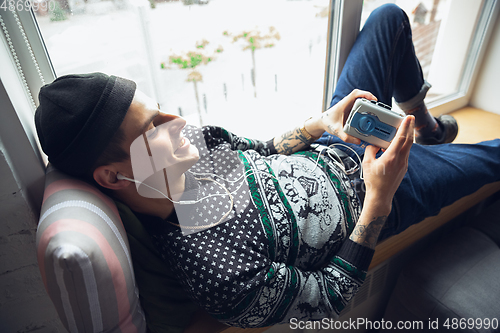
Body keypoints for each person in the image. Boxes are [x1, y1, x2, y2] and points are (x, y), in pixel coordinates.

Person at [34, 4, 500, 329]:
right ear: (114, 177)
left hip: (339, 143)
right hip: (383, 195)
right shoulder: (215, 270)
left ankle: (426, 127)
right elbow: (328, 296)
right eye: (154, 125)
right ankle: (427, 143)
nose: (179, 120)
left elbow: (263, 149)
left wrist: (321, 123)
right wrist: (379, 198)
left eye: (162, 108)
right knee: (492, 158)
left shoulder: (186, 160)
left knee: (389, 19)